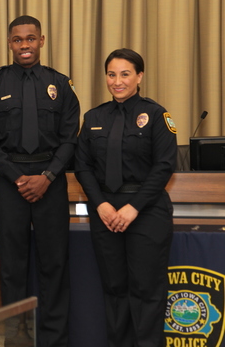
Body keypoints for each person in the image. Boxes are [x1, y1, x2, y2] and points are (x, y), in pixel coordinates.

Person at [0, 15, 80, 347]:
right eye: (18, 40)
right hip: (10, 182)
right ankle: (15, 338)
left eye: (30, 39)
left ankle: (54, 339)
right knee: (13, 268)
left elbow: (70, 137)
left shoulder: (60, 84)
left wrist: (47, 177)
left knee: (54, 265)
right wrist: (19, 177)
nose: (24, 45)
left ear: (42, 40)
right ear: (9, 43)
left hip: (51, 181)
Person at [75, 48, 177, 347]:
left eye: (125, 74)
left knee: (147, 290)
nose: (117, 81)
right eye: (111, 74)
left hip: (146, 212)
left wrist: (133, 208)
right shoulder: (93, 117)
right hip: (105, 213)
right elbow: (82, 166)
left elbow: (164, 166)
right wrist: (102, 205)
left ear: (139, 76)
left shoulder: (157, 115)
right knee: (115, 289)